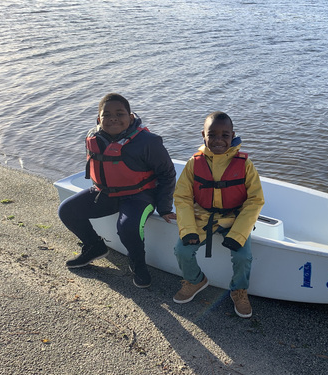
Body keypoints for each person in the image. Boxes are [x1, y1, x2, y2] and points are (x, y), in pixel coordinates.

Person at [58, 93, 176, 288]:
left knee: (128, 228)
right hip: (105, 193)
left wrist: (164, 207)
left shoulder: (148, 142)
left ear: (130, 117)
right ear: (99, 119)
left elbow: (167, 174)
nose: (113, 118)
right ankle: (95, 247)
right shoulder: (93, 137)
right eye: (107, 115)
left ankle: (138, 265)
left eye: (120, 113)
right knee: (66, 210)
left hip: (140, 195)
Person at [173, 111, 264, 318]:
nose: (218, 140)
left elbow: (255, 200)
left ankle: (238, 290)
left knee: (243, 256)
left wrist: (239, 234)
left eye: (225, 135)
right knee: (182, 250)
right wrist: (187, 229)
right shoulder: (194, 163)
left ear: (233, 135)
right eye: (212, 134)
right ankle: (196, 280)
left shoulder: (245, 165)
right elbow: (183, 198)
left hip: (236, 219)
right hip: (203, 217)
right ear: (203, 135)